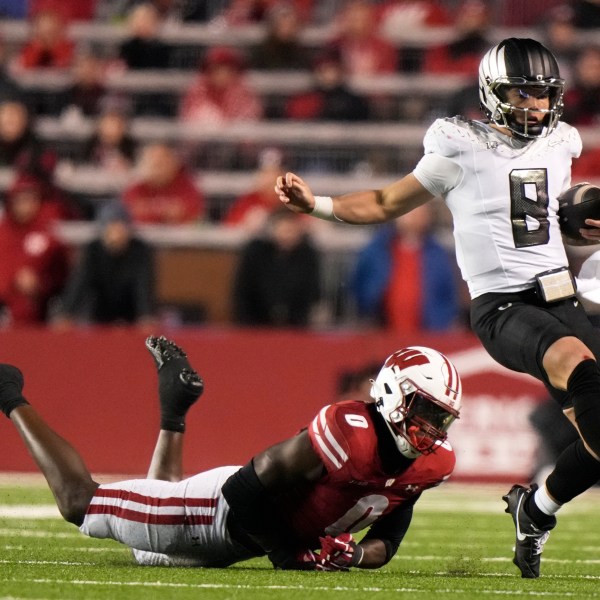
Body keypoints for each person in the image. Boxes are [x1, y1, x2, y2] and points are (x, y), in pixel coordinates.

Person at [275, 37, 600, 579]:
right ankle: (537, 507)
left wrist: (579, 223)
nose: (538, 106)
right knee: (577, 364)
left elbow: (542, 222)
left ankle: (536, 508)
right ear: (495, 94)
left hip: (561, 297)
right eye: (525, 93)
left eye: (545, 95)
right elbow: (384, 202)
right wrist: (319, 206)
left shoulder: (562, 143)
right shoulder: (459, 146)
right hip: (503, 307)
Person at [0, 335, 462, 570]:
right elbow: (244, 490)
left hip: (242, 545)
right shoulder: (349, 431)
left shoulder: (430, 465)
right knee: (79, 502)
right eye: (424, 410)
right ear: (391, 392)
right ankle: (10, 394)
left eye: (440, 418)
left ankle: (174, 412)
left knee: (147, 554)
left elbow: (387, 542)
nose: (430, 428)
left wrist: (352, 558)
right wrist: (290, 553)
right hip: (215, 513)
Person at [350, 203, 459, 333]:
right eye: (410, 213)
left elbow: (448, 293)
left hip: (428, 333)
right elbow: (359, 284)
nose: (414, 218)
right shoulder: (377, 250)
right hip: (381, 331)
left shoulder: (438, 254)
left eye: (420, 213)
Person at [55, 202, 156, 327]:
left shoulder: (140, 251)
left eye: (120, 228)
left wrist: (146, 316)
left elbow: (143, 285)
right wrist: (66, 313)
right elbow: (80, 282)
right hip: (98, 314)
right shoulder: (92, 250)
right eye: (111, 229)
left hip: (132, 314)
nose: (116, 235)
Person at [231, 207, 320, 327]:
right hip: (256, 322)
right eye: (284, 229)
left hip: (295, 325)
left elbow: (311, 291)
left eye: (291, 230)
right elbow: (243, 290)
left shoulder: (307, 255)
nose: (287, 235)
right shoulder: (255, 252)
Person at [0, 173, 69, 325]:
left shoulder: (47, 232)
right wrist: (14, 281)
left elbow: (60, 272)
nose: (28, 205)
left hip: (39, 305)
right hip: (5, 303)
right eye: (22, 200)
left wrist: (41, 284)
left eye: (33, 199)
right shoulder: (3, 232)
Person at [122, 142, 204, 224]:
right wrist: (165, 213)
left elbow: (192, 212)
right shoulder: (136, 188)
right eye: (155, 163)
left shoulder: (187, 185)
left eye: (163, 162)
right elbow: (130, 212)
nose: (159, 168)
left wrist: (151, 211)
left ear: (173, 163)